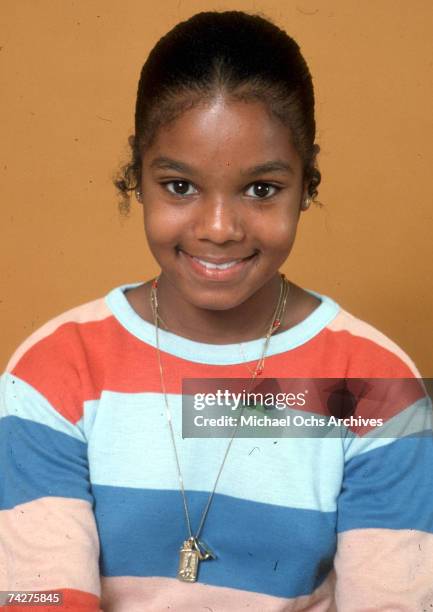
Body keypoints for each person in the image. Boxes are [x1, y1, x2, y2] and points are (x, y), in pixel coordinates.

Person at [1, 10, 432, 612]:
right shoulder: (52, 374)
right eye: (180, 185)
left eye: (261, 189)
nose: (219, 229)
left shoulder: (376, 387)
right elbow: (39, 601)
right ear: (138, 177)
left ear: (307, 182)